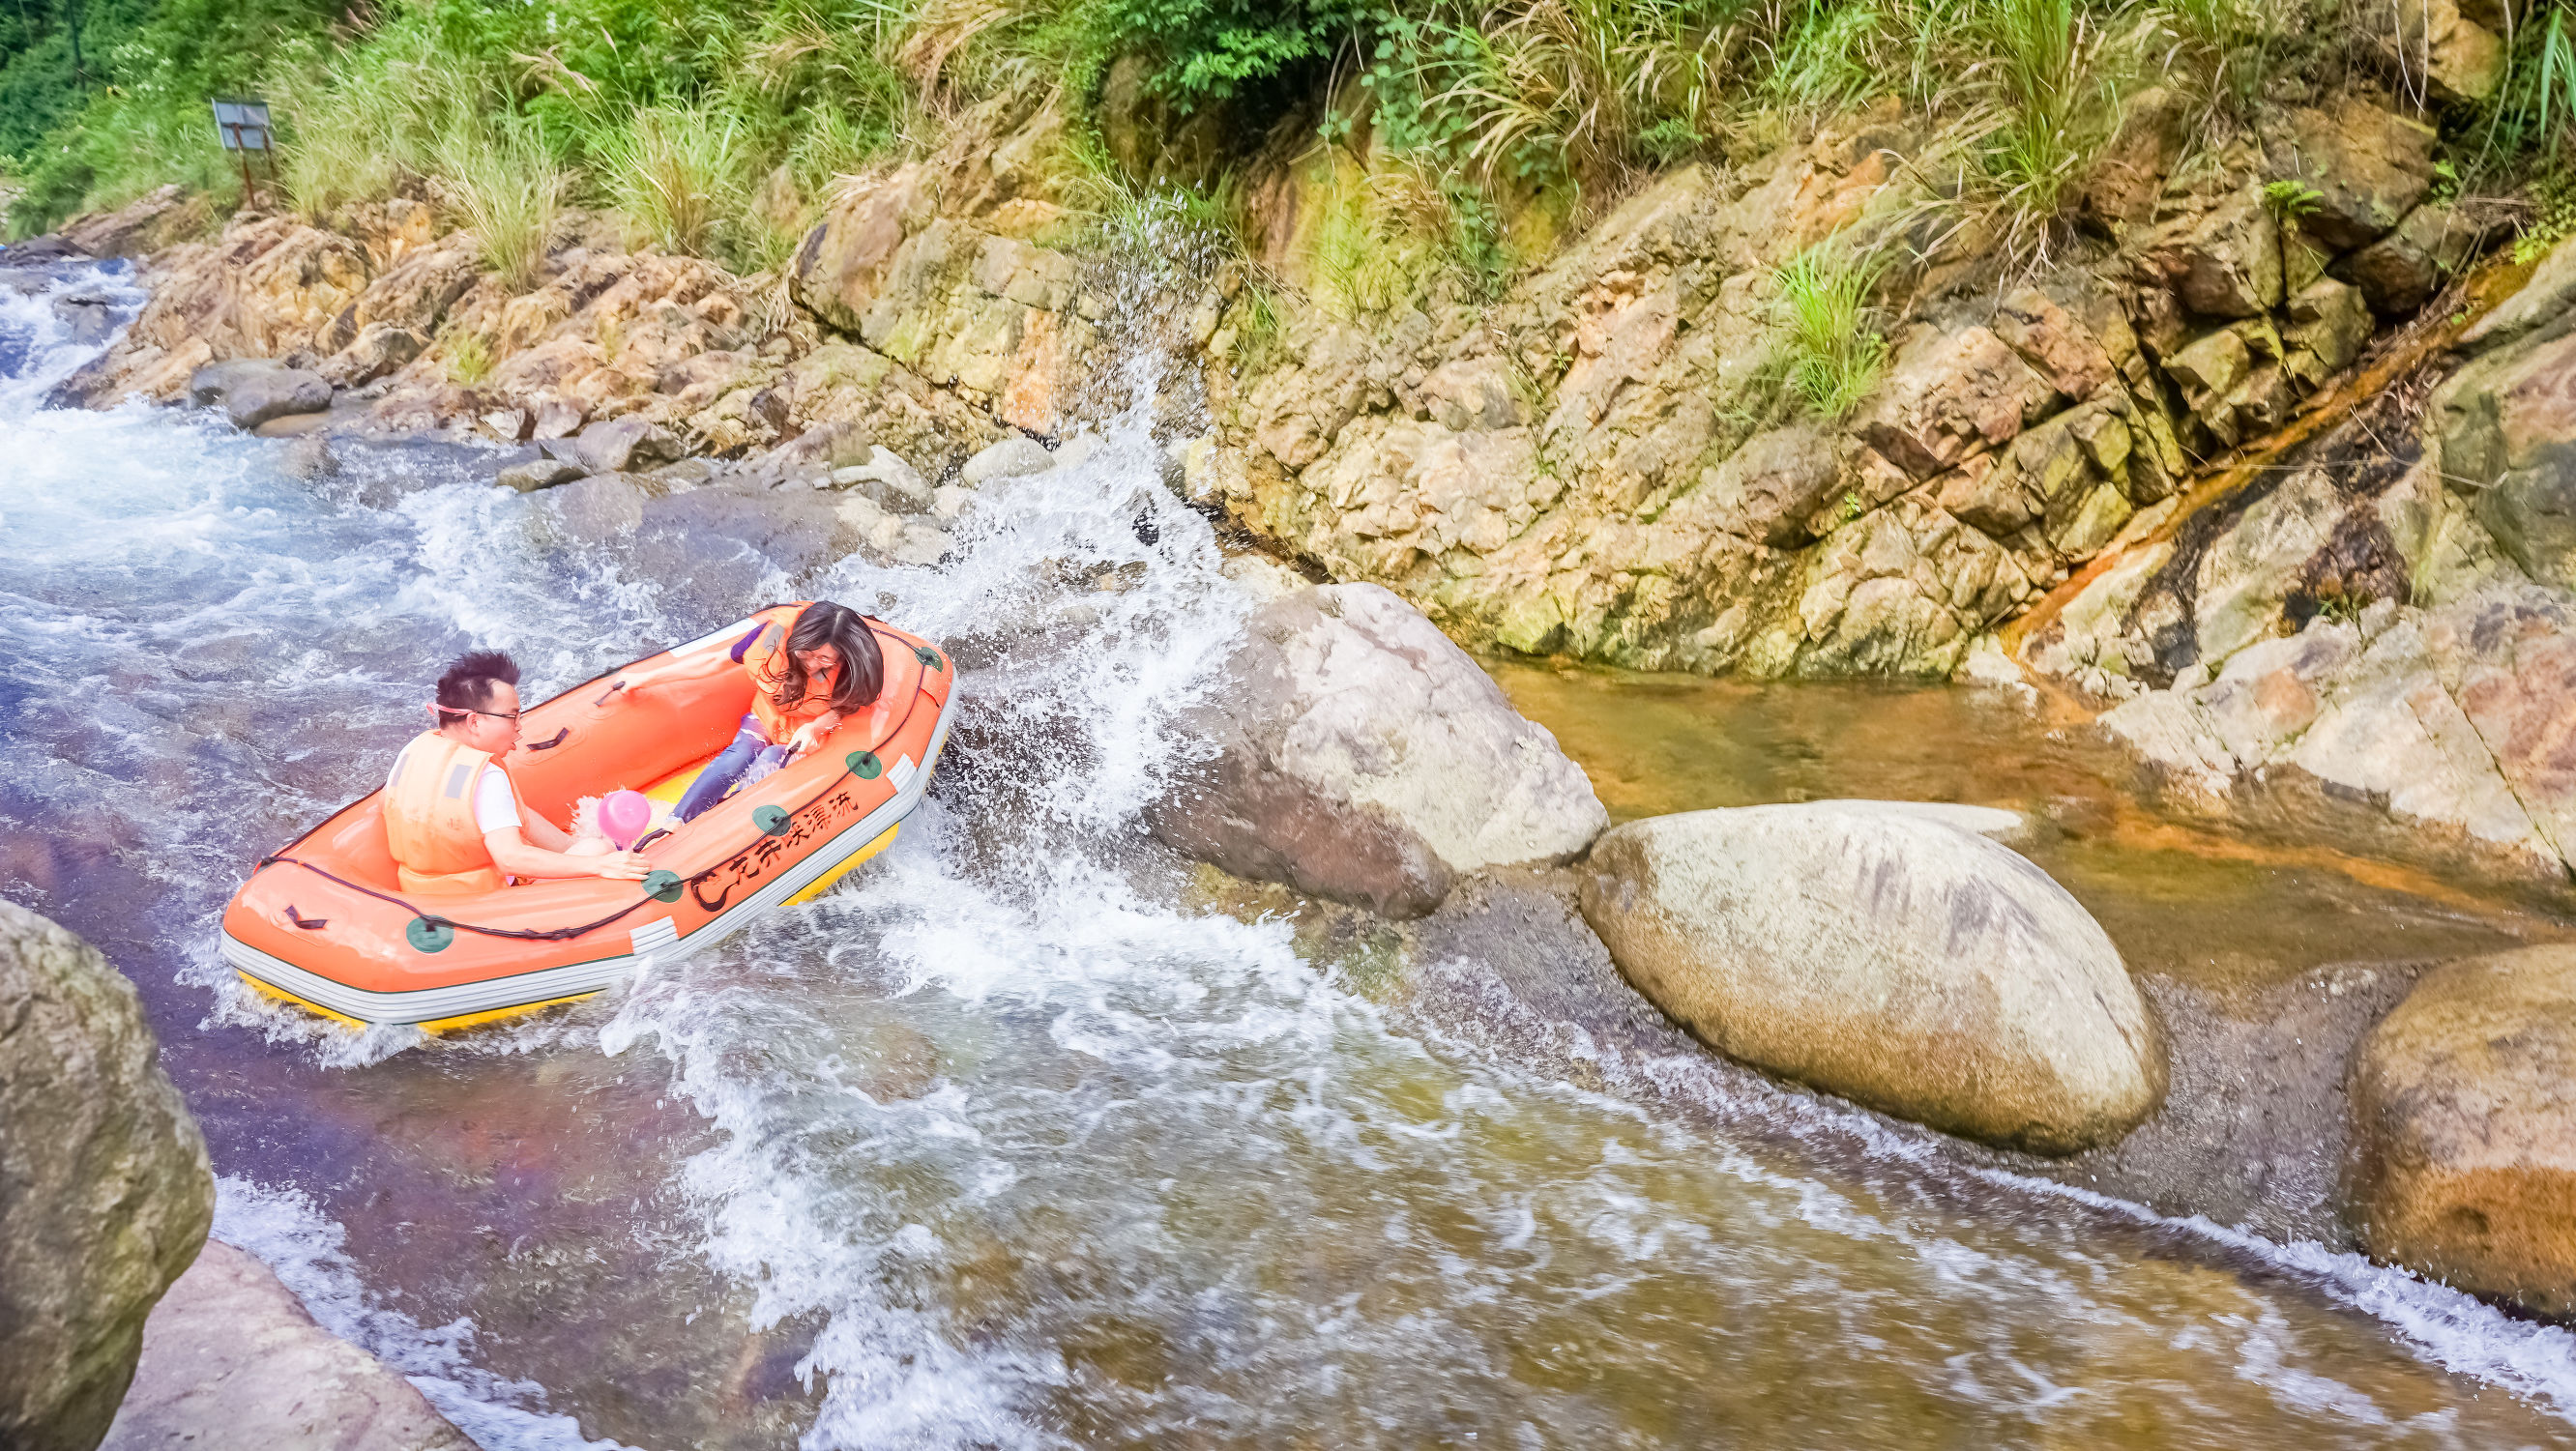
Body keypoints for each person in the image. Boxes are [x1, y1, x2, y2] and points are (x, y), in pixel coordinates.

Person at [382, 651, 652, 893]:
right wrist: (599, 864)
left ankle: (579, 846)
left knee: (584, 846)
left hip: (422, 897)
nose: (520, 727)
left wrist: (572, 847)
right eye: (513, 716)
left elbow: (498, 815)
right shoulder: (487, 776)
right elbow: (509, 858)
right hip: (484, 907)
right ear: (474, 721)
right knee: (597, 850)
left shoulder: (414, 751)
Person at [607, 601, 885, 823]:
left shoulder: (851, 668)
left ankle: (727, 822)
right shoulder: (774, 636)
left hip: (809, 731)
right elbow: (715, 661)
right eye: (806, 653)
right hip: (768, 716)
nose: (813, 664)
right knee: (740, 752)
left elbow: (845, 709)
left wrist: (815, 727)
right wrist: (646, 678)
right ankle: (677, 821)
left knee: (772, 757)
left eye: (824, 659)